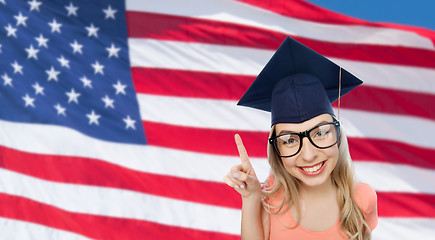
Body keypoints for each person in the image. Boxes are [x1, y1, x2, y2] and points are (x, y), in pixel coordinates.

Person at [223, 36, 378, 240]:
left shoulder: (362, 199)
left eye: (321, 133)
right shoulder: (270, 202)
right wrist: (252, 198)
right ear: (276, 150)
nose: (308, 155)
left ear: (338, 135)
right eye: (290, 140)